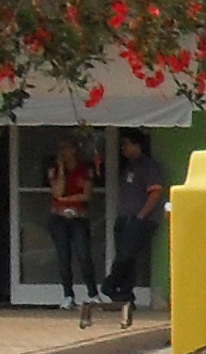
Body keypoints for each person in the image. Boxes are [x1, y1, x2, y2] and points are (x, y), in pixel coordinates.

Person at [102, 135, 165, 330]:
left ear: (137, 145)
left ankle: (109, 286)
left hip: (139, 220)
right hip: (124, 219)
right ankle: (125, 297)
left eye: (126, 144)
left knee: (126, 255)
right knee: (127, 259)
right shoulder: (128, 167)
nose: (123, 148)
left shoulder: (148, 166)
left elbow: (155, 192)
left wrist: (141, 216)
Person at [43, 140, 101, 322]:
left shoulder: (85, 170)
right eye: (62, 150)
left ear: (75, 150)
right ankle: (68, 295)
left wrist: (65, 199)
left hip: (79, 217)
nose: (64, 152)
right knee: (63, 256)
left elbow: (86, 194)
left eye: (67, 148)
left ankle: (92, 293)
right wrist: (61, 169)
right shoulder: (54, 170)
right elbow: (56, 192)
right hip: (58, 219)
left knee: (83, 255)